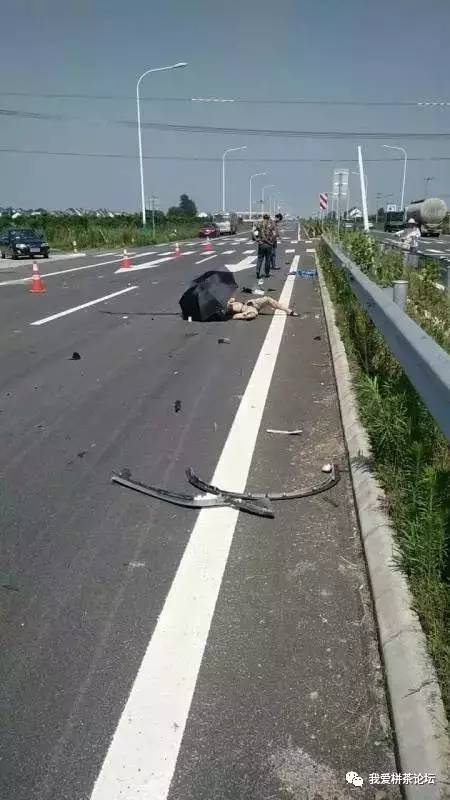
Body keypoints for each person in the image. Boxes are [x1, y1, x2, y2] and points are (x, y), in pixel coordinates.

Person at [227, 295, 298, 320]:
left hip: (250, 302)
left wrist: (231, 300)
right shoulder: (226, 307)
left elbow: (232, 299)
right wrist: (242, 315)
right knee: (252, 314)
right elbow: (234, 316)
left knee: (267, 299)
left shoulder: (226, 300)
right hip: (247, 309)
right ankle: (246, 315)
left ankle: (288, 311)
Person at [254, 214, 277, 281]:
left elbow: (253, 232)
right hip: (268, 245)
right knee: (267, 259)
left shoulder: (259, 224)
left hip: (261, 244)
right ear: (268, 218)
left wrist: (256, 239)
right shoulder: (271, 224)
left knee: (260, 258)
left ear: (263, 217)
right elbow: (275, 234)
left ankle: (258, 271)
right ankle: (267, 273)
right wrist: (272, 242)